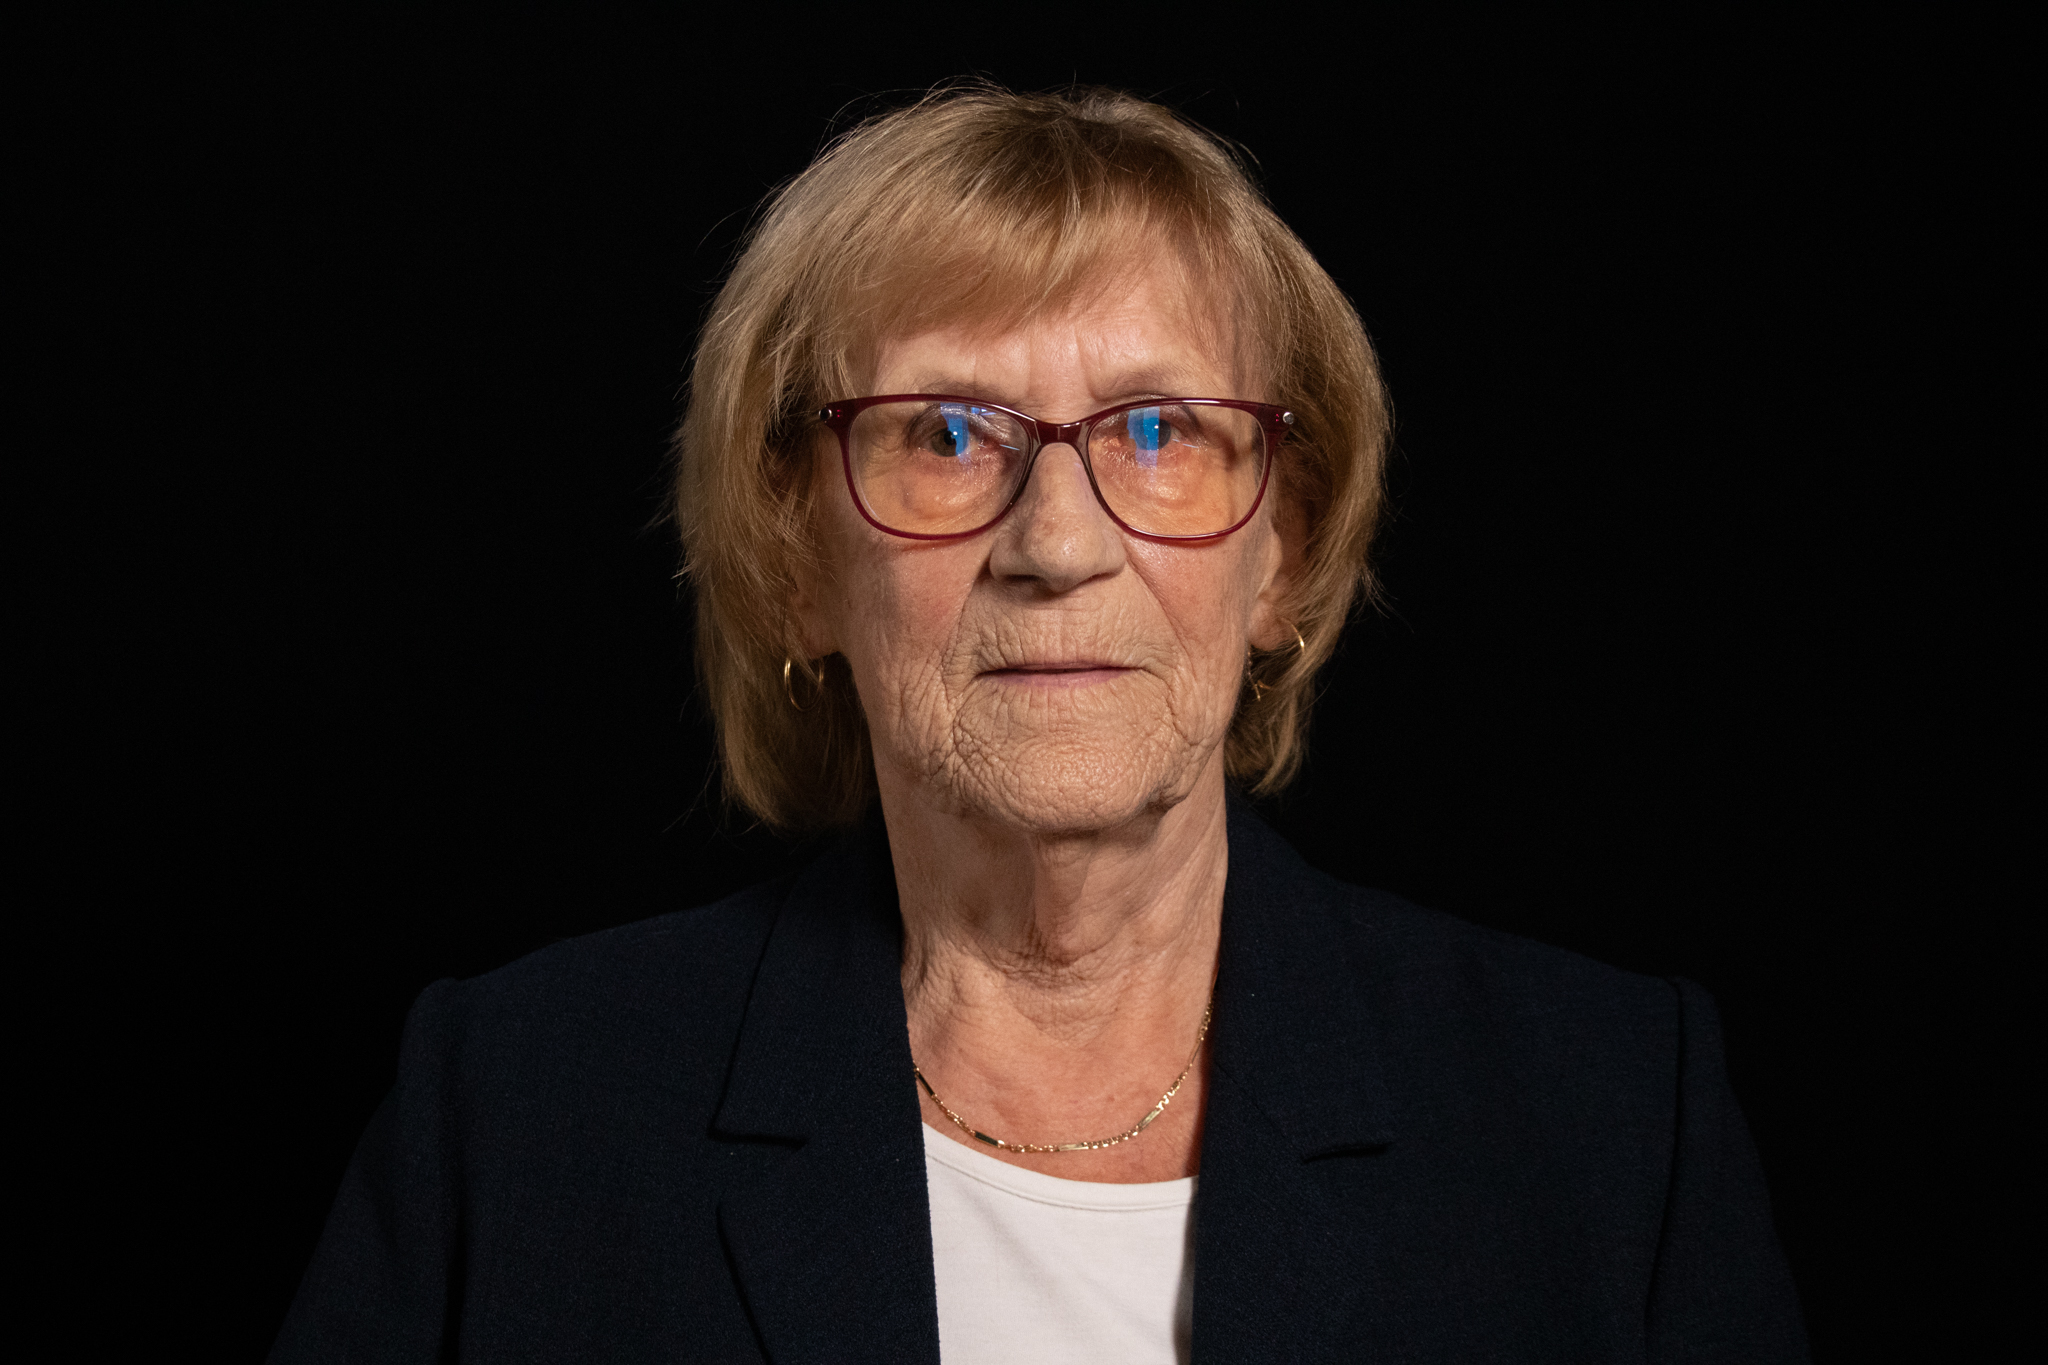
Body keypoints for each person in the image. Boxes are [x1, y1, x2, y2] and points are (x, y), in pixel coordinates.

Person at [271, 86, 1808, 1364]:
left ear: (1283, 545)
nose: (1057, 541)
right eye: (947, 433)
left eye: (1158, 430)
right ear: (798, 555)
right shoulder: (521, 1112)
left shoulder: (1608, 1124)